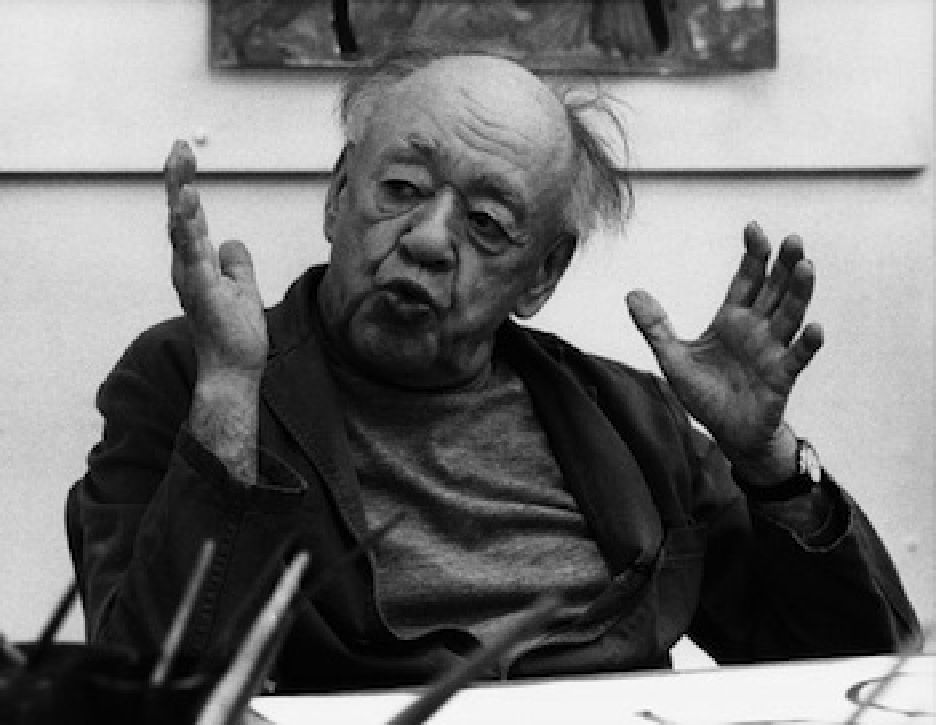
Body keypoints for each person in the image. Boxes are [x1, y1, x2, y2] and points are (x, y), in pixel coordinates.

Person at [67, 47, 920, 692]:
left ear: (541, 275)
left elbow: (863, 677)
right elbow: (145, 687)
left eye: (485, 222)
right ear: (338, 195)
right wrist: (228, 401)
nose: (428, 240)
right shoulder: (194, 376)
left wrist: (771, 466)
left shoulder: (630, 421)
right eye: (401, 187)